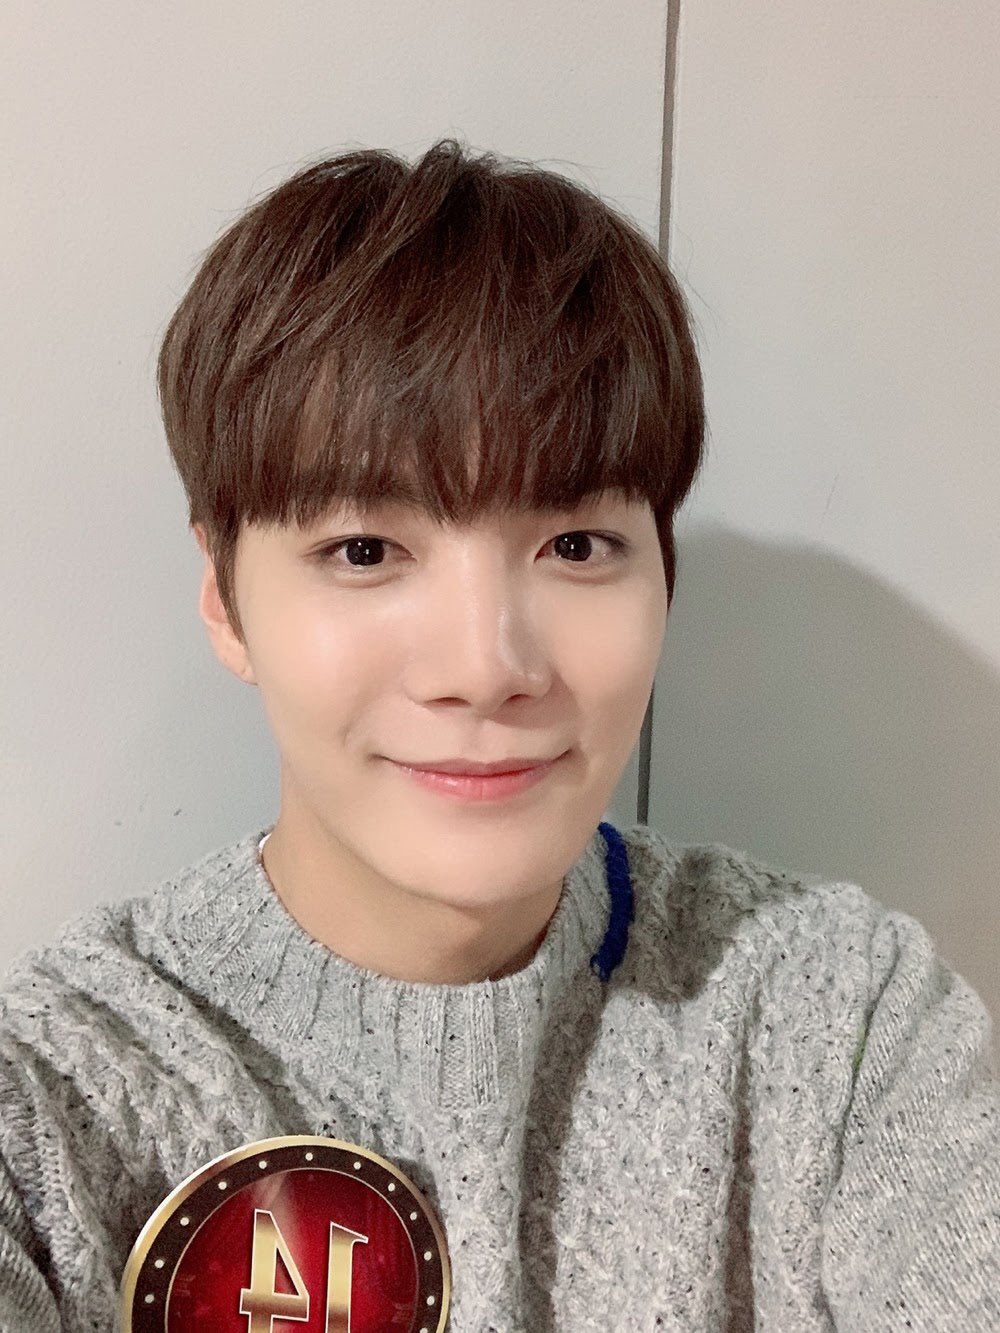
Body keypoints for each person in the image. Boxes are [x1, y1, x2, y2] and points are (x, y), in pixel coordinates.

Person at [1, 138, 998, 1332]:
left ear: (662, 580)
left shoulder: (840, 1024)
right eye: (364, 550)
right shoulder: (51, 1098)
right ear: (224, 596)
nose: (484, 668)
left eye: (575, 546)